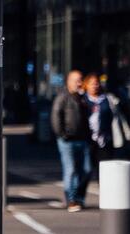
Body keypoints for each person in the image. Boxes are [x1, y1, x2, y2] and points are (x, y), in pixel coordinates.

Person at [50, 70, 92, 212]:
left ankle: (79, 197)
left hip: (83, 139)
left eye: (81, 80)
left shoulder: (83, 98)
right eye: (76, 80)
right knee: (71, 170)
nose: (79, 83)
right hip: (67, 140)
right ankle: (71, 200)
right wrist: (61, 134)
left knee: (86, 170)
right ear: (69, 82)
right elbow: (56, 116)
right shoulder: (62, 97)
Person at [82, 74, 130, 165]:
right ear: (86, 85)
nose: (95, 86)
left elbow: (118, 116)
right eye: (91, 83)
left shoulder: (107, 99)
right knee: (87, 168)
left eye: (96, 83)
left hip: (105, 139)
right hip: (87, 139)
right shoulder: (82, 99)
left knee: (104, 166)